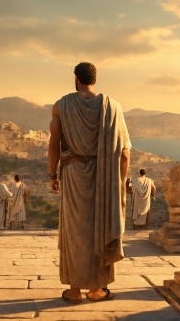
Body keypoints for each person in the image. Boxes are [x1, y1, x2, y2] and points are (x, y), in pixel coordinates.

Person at [48, 62, 130, 303]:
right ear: (95, 79)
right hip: (103, 175)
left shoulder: (60, 106)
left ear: (76, 78)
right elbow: (125, 153)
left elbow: (54, 144)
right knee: (100, 228)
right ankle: (97, 289)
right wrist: (120, 181)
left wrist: (53, 176)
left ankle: (74, 290)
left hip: (73, 174)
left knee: (75, 231)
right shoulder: (113, 107)